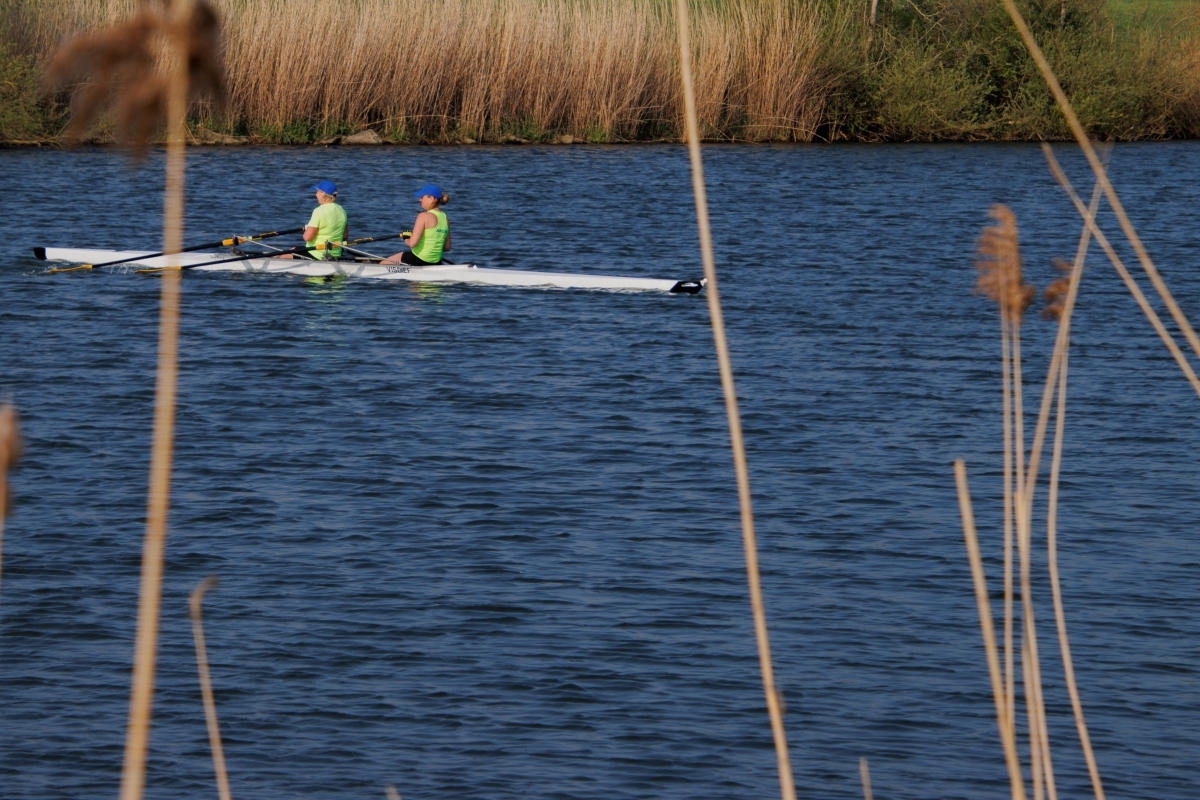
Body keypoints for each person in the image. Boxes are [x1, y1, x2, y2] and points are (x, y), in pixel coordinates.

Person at [381, 184, 450, 265]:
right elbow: (447, 247)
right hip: (436, 262)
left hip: (417, 259)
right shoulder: (445, 218)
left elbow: (412, 244)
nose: (420, 200)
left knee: (383, 263)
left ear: (431, 198)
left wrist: (406, 237)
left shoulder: (423, 216)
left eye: (422, 197)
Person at [280, 180, 347, 260]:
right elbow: (345, 236)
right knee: (294, 249)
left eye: (317, 192)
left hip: (317, 254)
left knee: (281, 256)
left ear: (323, 194)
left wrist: (307, 230)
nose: (316, 195)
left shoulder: (318, 211)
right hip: (336, 254)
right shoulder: (342, 210)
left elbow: (307, 237)